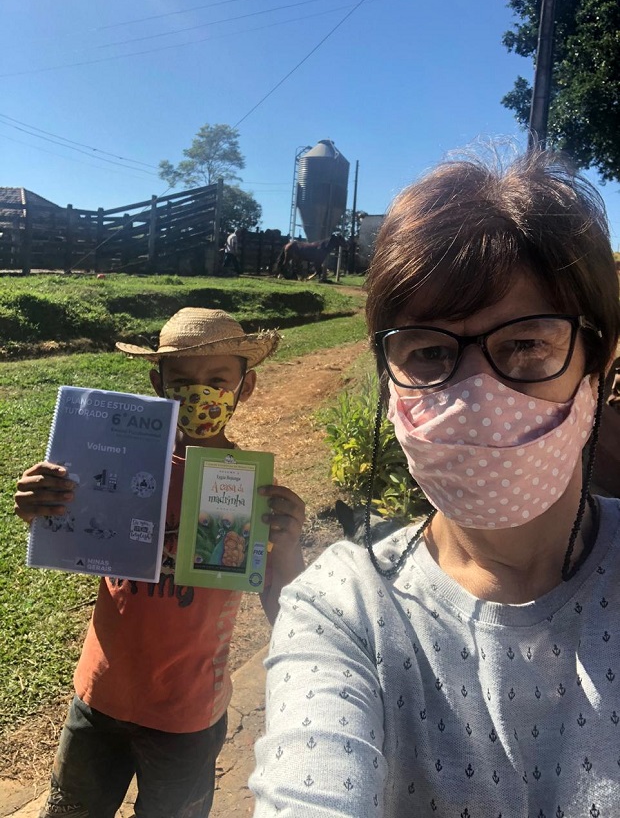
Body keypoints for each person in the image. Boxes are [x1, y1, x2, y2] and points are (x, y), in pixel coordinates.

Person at [249, 149, 620, 816]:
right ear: (388, 379)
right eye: (427, 351)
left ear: (597, 362)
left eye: (528, 344)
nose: (476, 396)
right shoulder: (342, 611)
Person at [14, 307, 306, 818]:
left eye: (218, 380)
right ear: (158, 383)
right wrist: (40, 503)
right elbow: (63, 527)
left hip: (188, 715)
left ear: (246, 386)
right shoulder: (115, 468)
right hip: (99, 698)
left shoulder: (251, 493)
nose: (200, 395)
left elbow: (285, 607)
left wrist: (288, 545)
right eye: (183, 381)